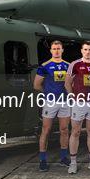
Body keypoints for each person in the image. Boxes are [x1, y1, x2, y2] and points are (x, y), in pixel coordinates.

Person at [34, 40, 70, 171]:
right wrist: (48, 93)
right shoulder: (45, 66)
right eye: (54, 48)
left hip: (65, 102)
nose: (56, 50)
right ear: (50, 50)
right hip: (51, 102)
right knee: (46, 130)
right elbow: (36, 85)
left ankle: (64, 157)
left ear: (62, 50)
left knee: (64, 130)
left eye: (58, 48)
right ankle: (43, 160)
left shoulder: (68, 65)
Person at [65, 41, 90, 174]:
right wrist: (72, 97)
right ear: (81, 51)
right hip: (79, 103)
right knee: (75, 132)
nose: (87, 52)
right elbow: (67, 83)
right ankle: (73, 163)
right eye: (85, 49)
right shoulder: (75, 64)